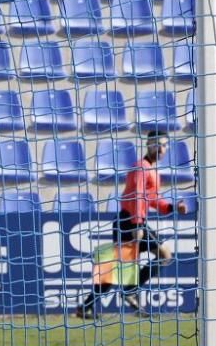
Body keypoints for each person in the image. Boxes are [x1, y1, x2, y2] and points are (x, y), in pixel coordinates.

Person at [75, 131, 187, 319]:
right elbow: (136, 196)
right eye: (156, 144)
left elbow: (151, 199)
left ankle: (87, 306)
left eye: (164, 145)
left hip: (133, 221)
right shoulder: (140, 168)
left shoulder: (153, 171)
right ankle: (129, 291)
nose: (160, 148)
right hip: (129, 222)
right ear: (148, 145)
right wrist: (137, 225)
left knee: (127, 266)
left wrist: (171, 207)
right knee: (160, 256)